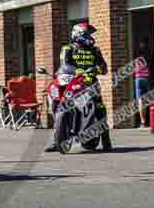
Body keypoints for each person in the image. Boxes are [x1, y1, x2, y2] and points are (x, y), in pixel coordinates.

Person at [45, 22, 110, 152]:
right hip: (71, 82)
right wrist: (78, 70)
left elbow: (104, 68)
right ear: (79, 34)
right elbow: (65, 65)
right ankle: (57, 139)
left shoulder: (95, 50)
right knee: (55, 104)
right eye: (88, 34)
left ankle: (106, 140)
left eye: (90, 35)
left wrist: (96, 69)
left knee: (99, 108)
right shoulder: (68, 49)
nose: (91, 37)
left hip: (90, 83)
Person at [134, 38, 153, 127]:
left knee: (140, 101)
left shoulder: (136, 53)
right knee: (150, 98)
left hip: (138, 78)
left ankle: (143, 122)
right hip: (147, 77)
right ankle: (152, 119)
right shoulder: (149, 53)